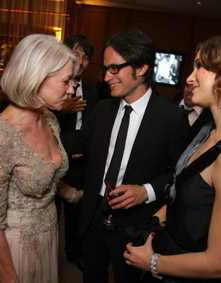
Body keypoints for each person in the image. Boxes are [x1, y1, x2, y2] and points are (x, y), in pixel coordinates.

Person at [123, 30, 221, 282]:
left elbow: (220, 264)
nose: (189, 77)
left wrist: (151, 262)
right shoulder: (209, 132)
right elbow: (187, 198)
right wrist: (153, 222)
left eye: (201, 66)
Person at [62, 29, 189, 283]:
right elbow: (74, 141)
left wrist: (146, 191)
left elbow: (181, 174)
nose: (106, 76)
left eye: (115, 69)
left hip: (136, 223)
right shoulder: (103, 109)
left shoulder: (172, 118)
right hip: (94, 216)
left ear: (141, 68)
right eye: (106, 68)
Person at [0, 34, 83, 283]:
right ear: (36, 78)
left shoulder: (50, 120)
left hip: (48, 235)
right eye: (66, 81)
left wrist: (75, 195)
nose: (71, 89)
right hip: (12, 248)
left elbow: (45, 173)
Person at [56, 33, 98, 270]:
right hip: (56, 157)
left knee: (76, 214)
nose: (81, 62)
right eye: (76, 54)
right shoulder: (53, 85)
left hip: (82, 163)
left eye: (85, 57)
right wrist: (64, 111)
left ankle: (74, 252)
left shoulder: (92, 92)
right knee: (51, 212)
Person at [178, 81, 213, 146]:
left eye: (195, 87)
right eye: (187, 86)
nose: (189, 90)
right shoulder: (167, 108)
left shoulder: (211, 118)